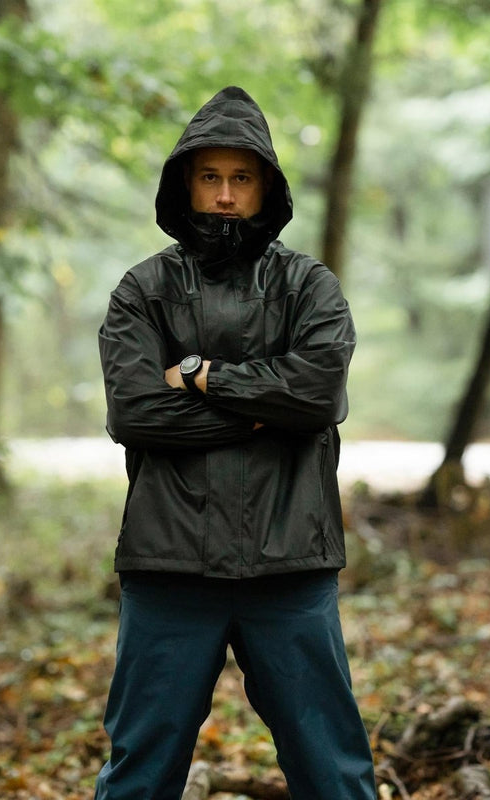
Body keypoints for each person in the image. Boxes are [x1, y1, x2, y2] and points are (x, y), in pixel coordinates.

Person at [95, 85, 377, 800]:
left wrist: (197, 374)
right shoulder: (144, 292)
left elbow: (316, 395)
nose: (225, 195)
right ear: (186, 182)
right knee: (139, 773)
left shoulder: (308, 287)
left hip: (290, 567)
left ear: (265, 187)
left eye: (241, 178)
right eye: (211, 177)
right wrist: (264, 411)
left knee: (333, 771)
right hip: (169, 568)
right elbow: (134, 413)